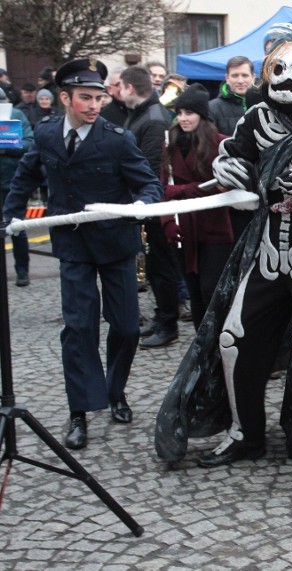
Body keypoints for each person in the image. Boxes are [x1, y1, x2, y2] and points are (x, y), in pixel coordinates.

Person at [156, 24, 292, 493]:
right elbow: (231, 162)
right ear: (265, 74)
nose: (288, 76)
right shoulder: (256, 119)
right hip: (267, 246)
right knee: (233, 338)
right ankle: (245, 433)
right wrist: (226, 168)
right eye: (278, 67)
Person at [3, 58, 162, 450]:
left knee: (125, 326)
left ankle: (115, 391)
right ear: (65, 98)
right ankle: (80, 410)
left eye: (99, 97)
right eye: (86, 98)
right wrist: (9, 214)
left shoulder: (116, 138)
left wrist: (141, 205)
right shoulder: (46, 135)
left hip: (115, 244)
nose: (94, 105)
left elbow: (149, 185)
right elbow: (26, 176)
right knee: (78, 328)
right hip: (72, 245)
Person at [159, 84, 233, 330]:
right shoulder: (170, 143)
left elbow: (220, 185)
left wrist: (181, 191)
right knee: (194, 291)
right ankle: (202, 350)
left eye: (188, 113)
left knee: (211, 288)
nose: (182, 118)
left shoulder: (220, 144)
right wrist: (167, 220)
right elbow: (164, 186)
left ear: (201, 115)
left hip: (215, 226)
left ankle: (219, 345)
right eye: (179, 113)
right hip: (184, 228)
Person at [121, 65, 183, 350]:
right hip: (147, 202)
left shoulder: (154, 118)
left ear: (129, 88)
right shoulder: (140, 114)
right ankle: (162, 318)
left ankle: (169, 323)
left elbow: (148, 165)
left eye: (120, 87)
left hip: (157, 204)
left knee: (163, 266)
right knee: (157, 266)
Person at [0, 89, 34, 286]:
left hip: (11, 181)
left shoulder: (16, 115)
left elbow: (29, 143)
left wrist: (6, 147)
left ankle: (22, 271)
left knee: (16, 226)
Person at [209, 56, 255, 137]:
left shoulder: (266, 104)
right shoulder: (212, 108)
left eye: (244, 75)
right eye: (235, 76)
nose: (240, 81)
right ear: (227, 78)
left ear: (253, 77)